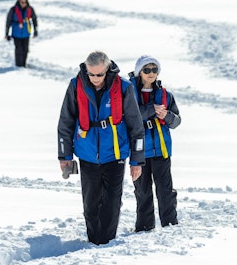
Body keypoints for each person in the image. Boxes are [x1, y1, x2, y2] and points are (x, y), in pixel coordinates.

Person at [57, 50, 145, 245]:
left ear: (107, 70)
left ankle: (106, 243)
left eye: (99, 74)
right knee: (90, 204)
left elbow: (135, 125)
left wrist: (137, 160)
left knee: (111, 203)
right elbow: (66, 121)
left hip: (115, 154)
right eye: (91, 74)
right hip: (87, 154)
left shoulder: (124, 87)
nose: (95, 78)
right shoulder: (75, 85)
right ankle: (93, 241)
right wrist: (65, 155)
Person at [128, 55, 181, 232]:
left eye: (154, 69)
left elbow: (177, 121)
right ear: (139, 73)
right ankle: (144, 227)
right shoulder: (129, 94)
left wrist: (167, 116)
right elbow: (128, 118)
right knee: (142, 191)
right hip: (140, 152)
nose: (151, 73)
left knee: (165, 190)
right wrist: (151, 110)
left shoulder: (166, 95)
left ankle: (170, 224)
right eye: (147, 70)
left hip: (161, 150)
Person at [5, 0, 38, 67]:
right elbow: (8, 22)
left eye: (24, 2)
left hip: (26, 33)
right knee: (18, 50)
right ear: (18, 1)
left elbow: (34, 20)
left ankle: (23, 64)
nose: (22, 4)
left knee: (25, 50)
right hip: (16, 34)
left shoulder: (30, 9)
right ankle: (18, 66)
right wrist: (6, 33)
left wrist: (35, 31)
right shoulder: (13, 10)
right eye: (21, 2)